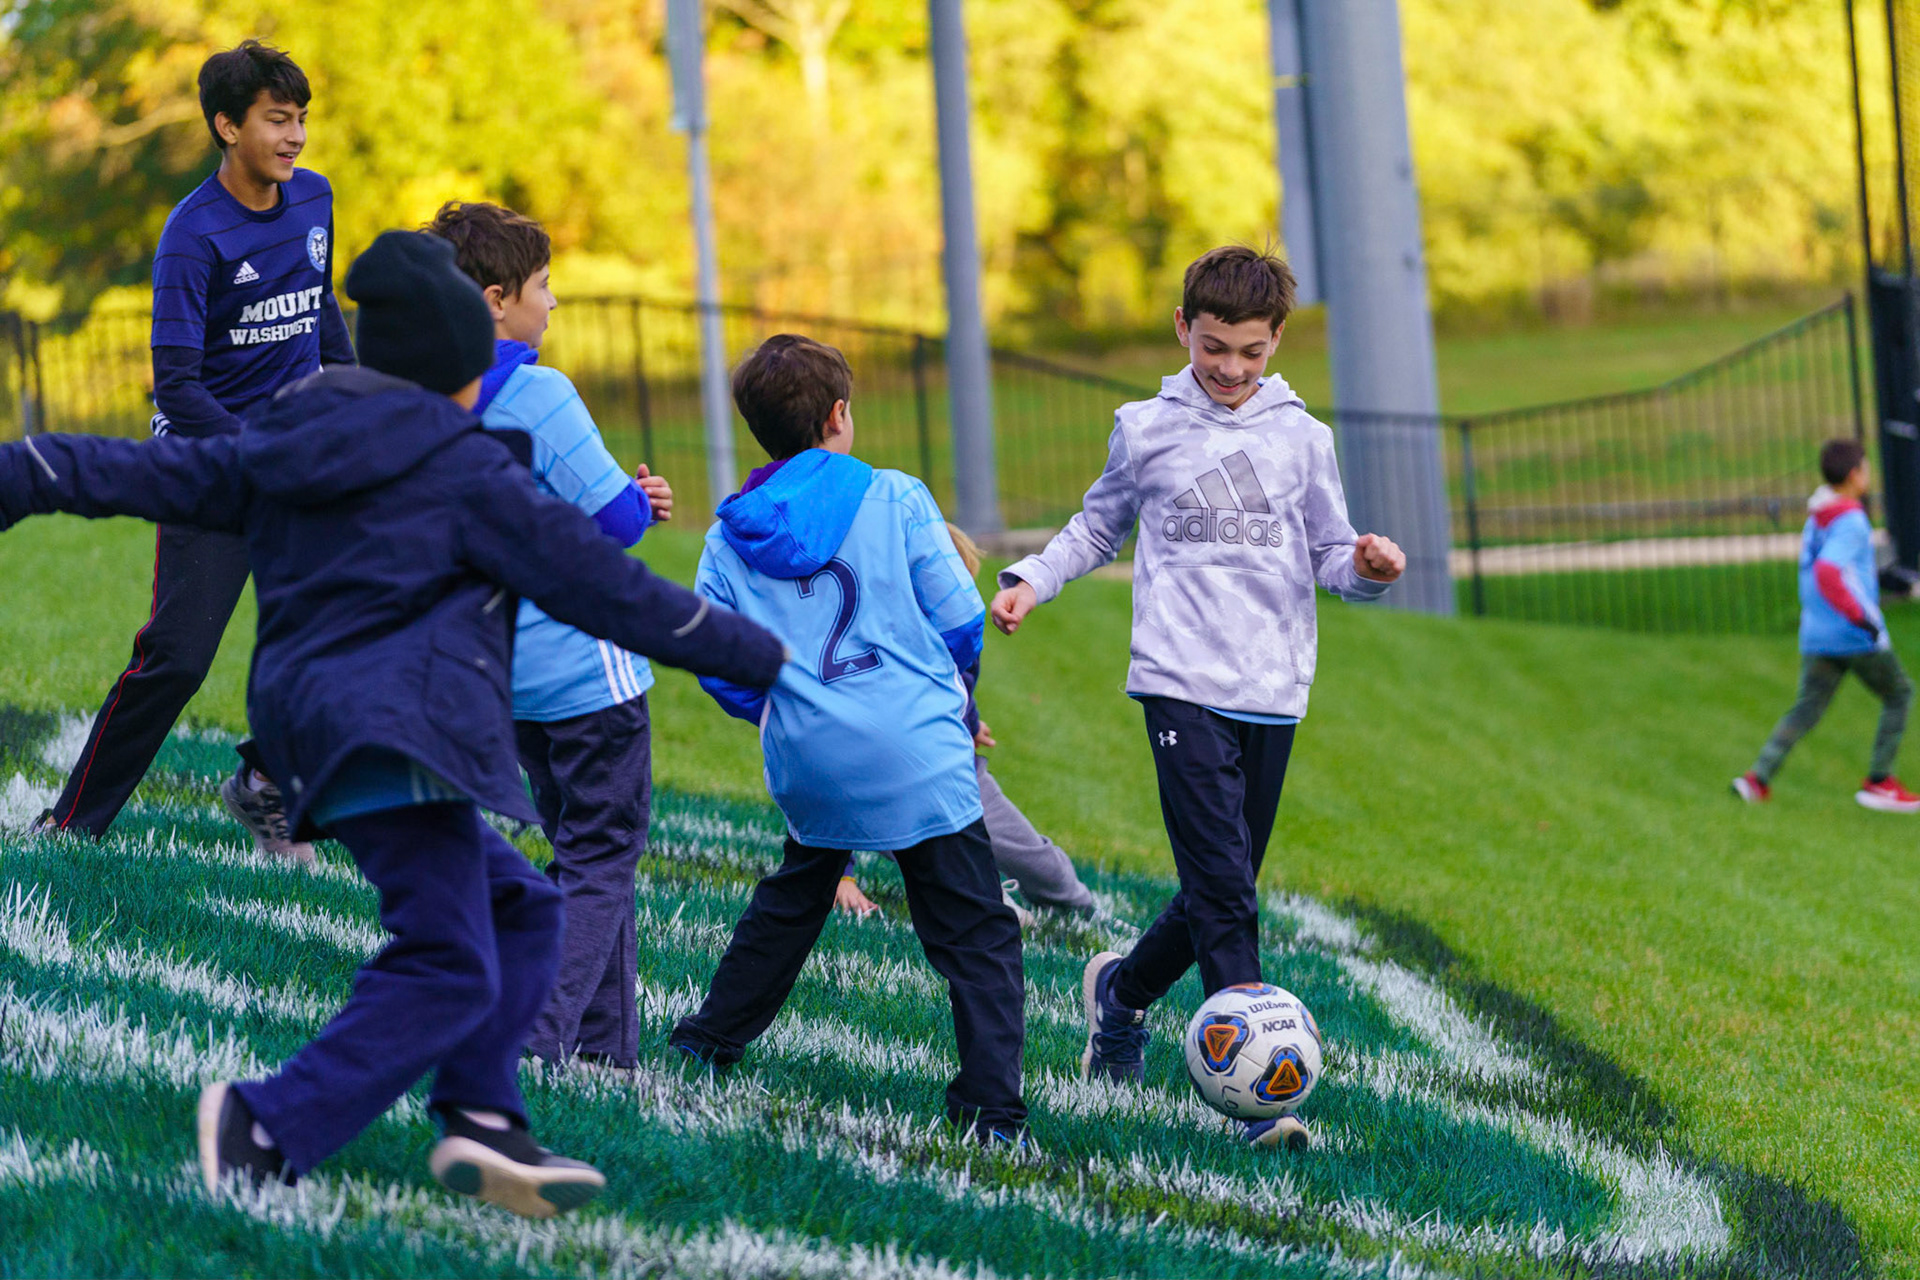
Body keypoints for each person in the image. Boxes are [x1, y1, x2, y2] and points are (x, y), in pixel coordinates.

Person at [0, 230, 787, 1214]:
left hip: (313, 725)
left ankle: (483, 1115)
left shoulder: (287, 436)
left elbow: (139, 473)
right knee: (451, 959)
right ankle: (265, 1121)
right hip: (398, 729)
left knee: (523, 908)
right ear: (462, 372)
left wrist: (26, 470)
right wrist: (761, 657)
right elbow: (607, 587)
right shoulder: (467, 467)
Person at [989, 245, 1405, 1150]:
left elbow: (1332, 555)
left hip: (1274, 688)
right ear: (1184, 329)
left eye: (1250, 352)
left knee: (1224, 880)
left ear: (1276, 342)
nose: (1229, 368)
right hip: (1179, 680)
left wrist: (1368, 569)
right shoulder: (1146, 428)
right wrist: (1032, 579)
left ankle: (1121, 995)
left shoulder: (1305, 439)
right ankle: (1266, 1103)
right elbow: (1098, 523)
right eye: (1214, 346)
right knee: (1226, 891)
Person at [666, 334, 1029, 1144]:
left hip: (809, 761)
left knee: (794, 900)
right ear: (839, 415)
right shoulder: (897, 496)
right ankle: (992, 1112)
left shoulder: (727, 535)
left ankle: (706, 1041)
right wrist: (953, 699)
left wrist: (778, 712)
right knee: (977, 932)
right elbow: (963, 620)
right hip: (915, 754)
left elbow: (713, 658)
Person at [33, 40, 355, 856]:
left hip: (295, 464)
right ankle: (71, 824)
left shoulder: (313, 199)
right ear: (226, 126)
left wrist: (355, 412)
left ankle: (267, 788)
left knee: (349, 632)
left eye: (302, 120)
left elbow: (322, 317)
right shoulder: (191, 234)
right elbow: (175, 385)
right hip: (209, 470)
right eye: (277, 120)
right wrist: (258, 455)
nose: (295, 138)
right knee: (176, 660)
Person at [428, 201, 675, 1070]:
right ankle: (536, 1036)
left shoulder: (422, 402)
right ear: (497, 299)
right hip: (589, 675)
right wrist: (639, 503)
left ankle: (609, 1057)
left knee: (586, 851)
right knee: (602, 857)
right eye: (544, 287)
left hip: (506, 677)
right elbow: (610, 522)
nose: (554, 303)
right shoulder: (540, 393)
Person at [835, 522, 1097, 925]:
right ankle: (986, 894)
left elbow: (961, 690)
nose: (958, 603)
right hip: (891, 790)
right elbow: (833, 769)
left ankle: (1080, 906)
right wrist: (843, 875)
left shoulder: (961, 638)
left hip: (957, 774)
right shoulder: (872, 651)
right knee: (946, 864)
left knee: (1039, 861)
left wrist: (970, 723)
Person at [1732, 438, 1919, 812]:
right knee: (1899, 693)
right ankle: (1880, 781)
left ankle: (1757, 779)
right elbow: (1829, 572)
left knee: (1806, 709)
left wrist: (1879, 579)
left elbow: (1835, 568)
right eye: (1866, 467)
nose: (1868, 474)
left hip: (1817, 633)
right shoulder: (1851, 519)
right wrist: (1861, 617)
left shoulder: (1817, 517)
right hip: (1853, 634)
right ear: (1854, 474)